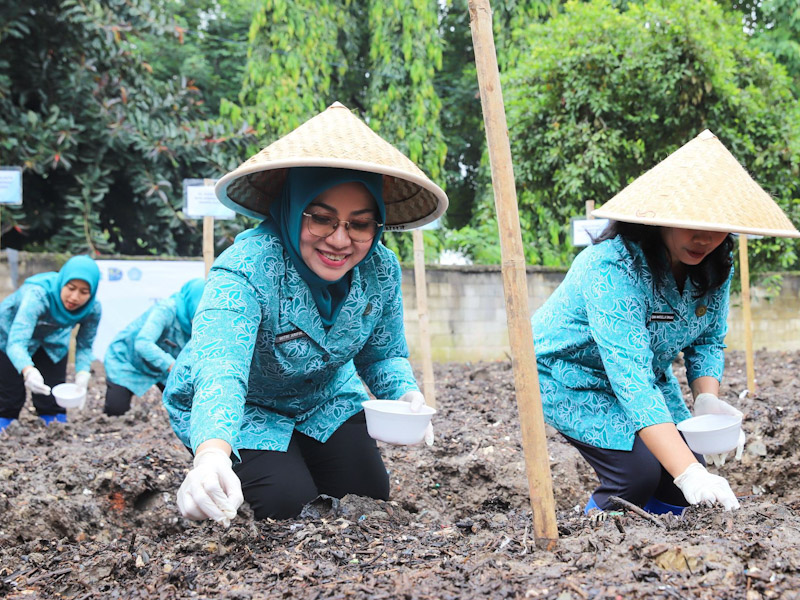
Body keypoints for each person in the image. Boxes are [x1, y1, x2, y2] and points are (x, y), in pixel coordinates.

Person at [163, 102, 448, 525]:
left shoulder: (380, 270)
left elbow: (382, 353)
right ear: (294, 210)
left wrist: (405, 395)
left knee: (367, 496)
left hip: (323, 399)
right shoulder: (245, 270)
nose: (339, 240)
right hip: (246, 407)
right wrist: (210, 455)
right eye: (321, 219)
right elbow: (222, 370)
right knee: (287, 506)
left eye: (360, 224)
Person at [531, 130, 800, 515]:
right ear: (659, 218)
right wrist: (688, 472)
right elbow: (631, 379)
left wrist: (706, 398)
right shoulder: (612, 267)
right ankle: (591, 540)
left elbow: (707, 341)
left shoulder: (715, 267)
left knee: (679, 485)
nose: (704, 237)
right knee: (636, 476)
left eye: (717, 225)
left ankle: (658, 543)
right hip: (566, 374)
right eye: (690, 222)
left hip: (645, 374)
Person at [0, 255, 101, 430]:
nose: (75, 297)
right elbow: (16, 342)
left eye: (84, 292)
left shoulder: (92, 308)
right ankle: (6, 426)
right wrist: (28, 370)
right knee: (10, 393)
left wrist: (83, 373)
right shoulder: (38, 295)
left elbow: (84, 345)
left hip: (53, 339)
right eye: (71, 288)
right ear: (62, 282)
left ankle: (54, 426)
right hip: (10, 333)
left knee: (52, 391)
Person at [102, 278, 205, 416]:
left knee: (187, 406)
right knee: (116, 411)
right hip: (128, 362)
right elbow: (143, 342)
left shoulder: (203, 324)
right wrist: (172, 366)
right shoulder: (167, 310)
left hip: (162, 369)